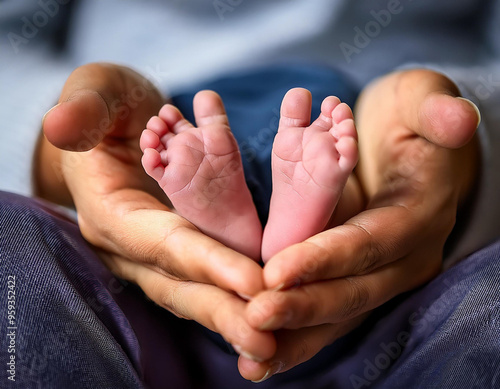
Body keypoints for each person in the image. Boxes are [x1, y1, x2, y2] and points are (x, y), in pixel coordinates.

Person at [1, 0, 500, 387]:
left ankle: (256, 228)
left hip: (373, 135)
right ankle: (300, 224)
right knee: (10, 238)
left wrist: (470, 157)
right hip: (153, 142)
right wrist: (58, 158)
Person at [140, 88, 359, 262]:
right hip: (300, 133)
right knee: (336, 164)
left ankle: (224, 238)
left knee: (185, 158)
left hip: (214, 145)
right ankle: (323, 217)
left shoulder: (178, 111)